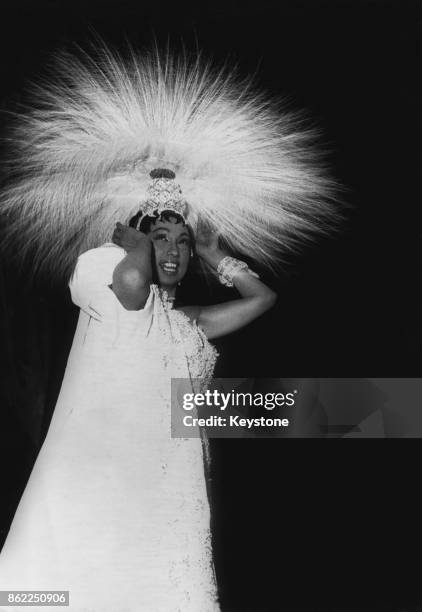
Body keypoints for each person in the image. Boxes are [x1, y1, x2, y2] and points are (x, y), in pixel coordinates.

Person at [0, 46, 336, 611]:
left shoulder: (190, 323)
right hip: (97, 493)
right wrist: (134, 238)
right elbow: (132, 287)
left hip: (166, 498)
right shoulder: (99, 274)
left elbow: (264, 298)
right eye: (161, 237)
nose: (173, 249)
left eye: (181, 240)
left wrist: (215, 251)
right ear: (131, 237)